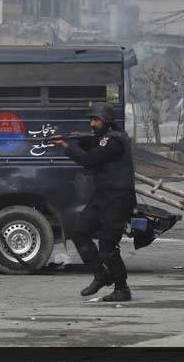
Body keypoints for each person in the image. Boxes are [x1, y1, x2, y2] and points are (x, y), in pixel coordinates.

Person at [51, 102, 136, 302]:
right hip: (102, 197)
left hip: (117, 200)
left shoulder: (114, 141)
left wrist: (66, 146)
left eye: (95, 120)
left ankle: (122, 288)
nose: (92, 123)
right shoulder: (106, 138)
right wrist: (76, 139)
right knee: (80, 232)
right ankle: (101, 274)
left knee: (107, 247)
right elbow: (94, 143)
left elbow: (90, 160)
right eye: (91, 120)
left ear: (106, 121)